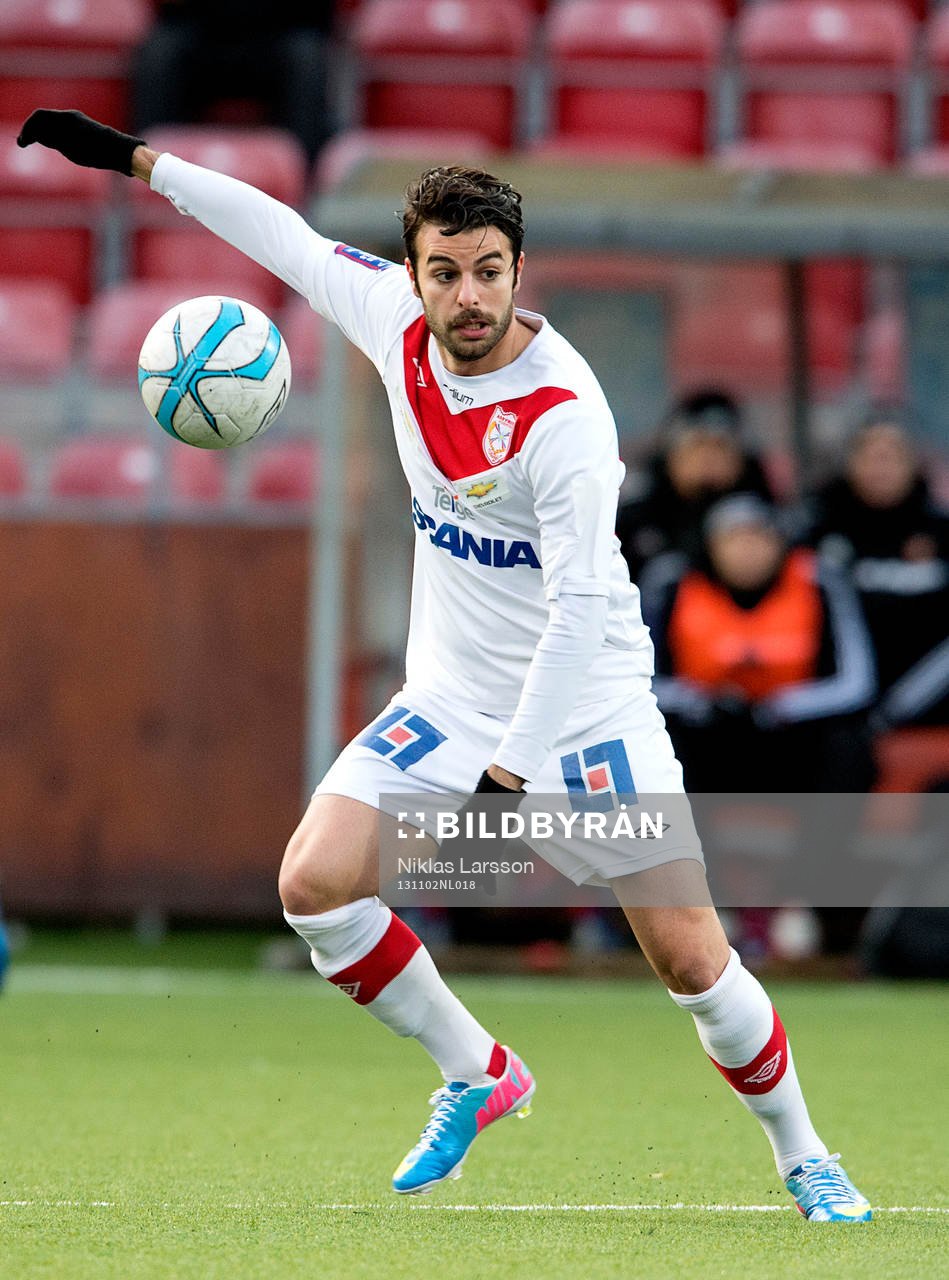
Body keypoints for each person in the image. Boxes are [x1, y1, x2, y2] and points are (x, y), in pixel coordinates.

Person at [17, 108, 871, 1222]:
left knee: (691, 959)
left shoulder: (563, 416)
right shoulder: (388, 318)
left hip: (588, 712)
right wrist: (134, 160)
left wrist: (512, 775)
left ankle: (804, 1151)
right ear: (410, 271)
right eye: (444, 272)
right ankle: (477, 1070)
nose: (467, 297)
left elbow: (572, 611)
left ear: (518, 271)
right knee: (314, 887)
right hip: (454, 698)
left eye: (488, 272)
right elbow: (276, 232)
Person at [643, 493, 877, 795]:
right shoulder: (673, 584)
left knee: (847, 744)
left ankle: (825, 839)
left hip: (794, 732)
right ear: (711, 546)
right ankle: (679, 838)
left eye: (759, 538)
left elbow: (858, 682)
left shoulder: (817, 580)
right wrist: (703, 702)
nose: (748, 550)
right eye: (734, 539)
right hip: (705, 731)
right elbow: (642, 681)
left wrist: (781, 707)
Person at [805, 413, 949, 733]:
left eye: (892, 455)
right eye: (869, 454)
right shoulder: (816, 530)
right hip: (833, 713)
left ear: (914, 463)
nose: (880, 466)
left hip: (930, 712)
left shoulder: (941, 532)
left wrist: (901, 705)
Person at [131, 2, 336, 164]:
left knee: (307, 57)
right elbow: (168, 12)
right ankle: (148, 168)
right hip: (203, 35)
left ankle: (304, 176)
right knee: (159, 54)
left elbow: (320, 17)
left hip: (279, 35)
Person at [617, 390, 776, 582]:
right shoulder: (635, 517)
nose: (708, 458)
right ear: (672, 454)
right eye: (698, 445)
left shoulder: (763, 518)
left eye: (720, 446)